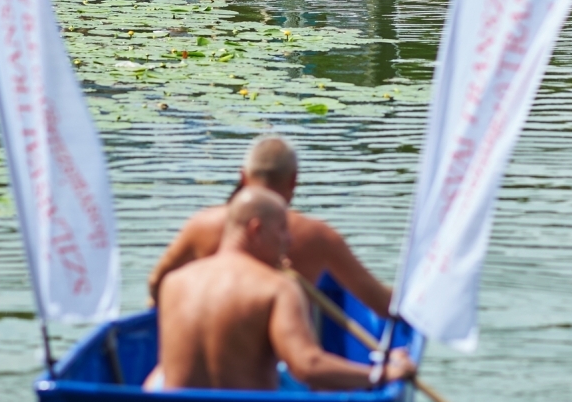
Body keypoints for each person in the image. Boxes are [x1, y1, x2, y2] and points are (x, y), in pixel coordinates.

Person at [143, 186, 415, 392]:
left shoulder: (173, 283)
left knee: (158, 375)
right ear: (255, 230)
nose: (289, 239)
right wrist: (382, 373)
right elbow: (308, 366)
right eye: (282, 229)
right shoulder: (277, 288)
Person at [148, 135, 392, 319]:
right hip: (282, 359)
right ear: (293, 181)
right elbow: (382, 304)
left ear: (243, 177)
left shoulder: (201, 225)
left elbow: (157, 283)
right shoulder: (318, 237)